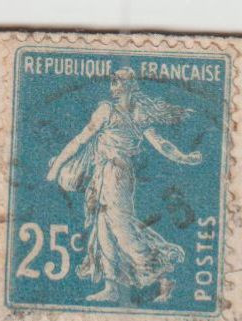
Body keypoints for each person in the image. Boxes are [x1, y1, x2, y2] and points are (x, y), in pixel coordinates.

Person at [44, 67, 203, 305]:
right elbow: (80, 139)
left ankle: (162, 278)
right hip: (101, 174)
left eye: (117, 83)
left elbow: (161, 144)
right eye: (112, 83)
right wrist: (57, 166)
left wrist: (184, 158)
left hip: (118, 175)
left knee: (121, 229)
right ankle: (111, 287)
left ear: (130, 85)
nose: (113, 87)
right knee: (102, 230)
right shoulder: (105, 110)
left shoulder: (138, 114)